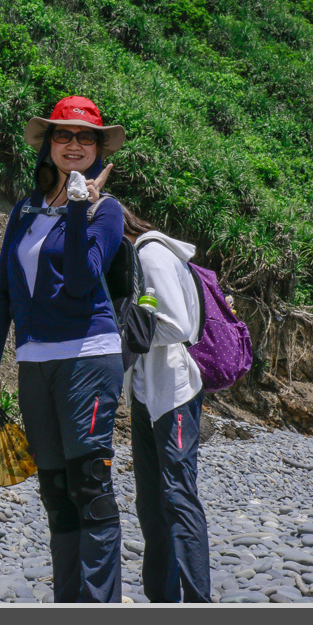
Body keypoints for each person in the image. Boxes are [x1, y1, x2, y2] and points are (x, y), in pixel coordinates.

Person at [0, 95, 126, 603]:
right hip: (34, 362)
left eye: (87, 137)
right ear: (48, 146)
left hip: (89, 354)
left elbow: (85, 282)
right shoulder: (25, 210)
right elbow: (2, 292)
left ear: (99, 149)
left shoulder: (107, 211)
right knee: (56, 492)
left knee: (90, 487)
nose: (75, 145)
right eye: (64, 135)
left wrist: (81, 207)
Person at [121, 205, 211, 603]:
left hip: (173, 391)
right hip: (146, 393)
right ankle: (161, 599)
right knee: (149, 501)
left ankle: (197, 600)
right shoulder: (137, 256)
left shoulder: (151, 253)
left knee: (176, 494)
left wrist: (125, 335)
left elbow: (177, 325)